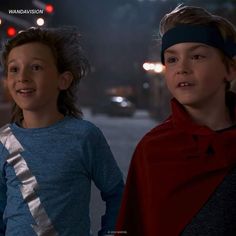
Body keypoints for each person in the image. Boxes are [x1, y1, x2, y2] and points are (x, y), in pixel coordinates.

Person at [115, 5, 236, 236]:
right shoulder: (153, 149)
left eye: (197, 56)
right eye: (171, 59)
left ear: (230, 69)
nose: (182, 68)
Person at [0, 26, 124, 236]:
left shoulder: (84, 136)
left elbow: (119, 195)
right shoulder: (3, 139)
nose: (23, 77)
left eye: (36, 67)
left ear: (63, 80)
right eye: (14, 69)